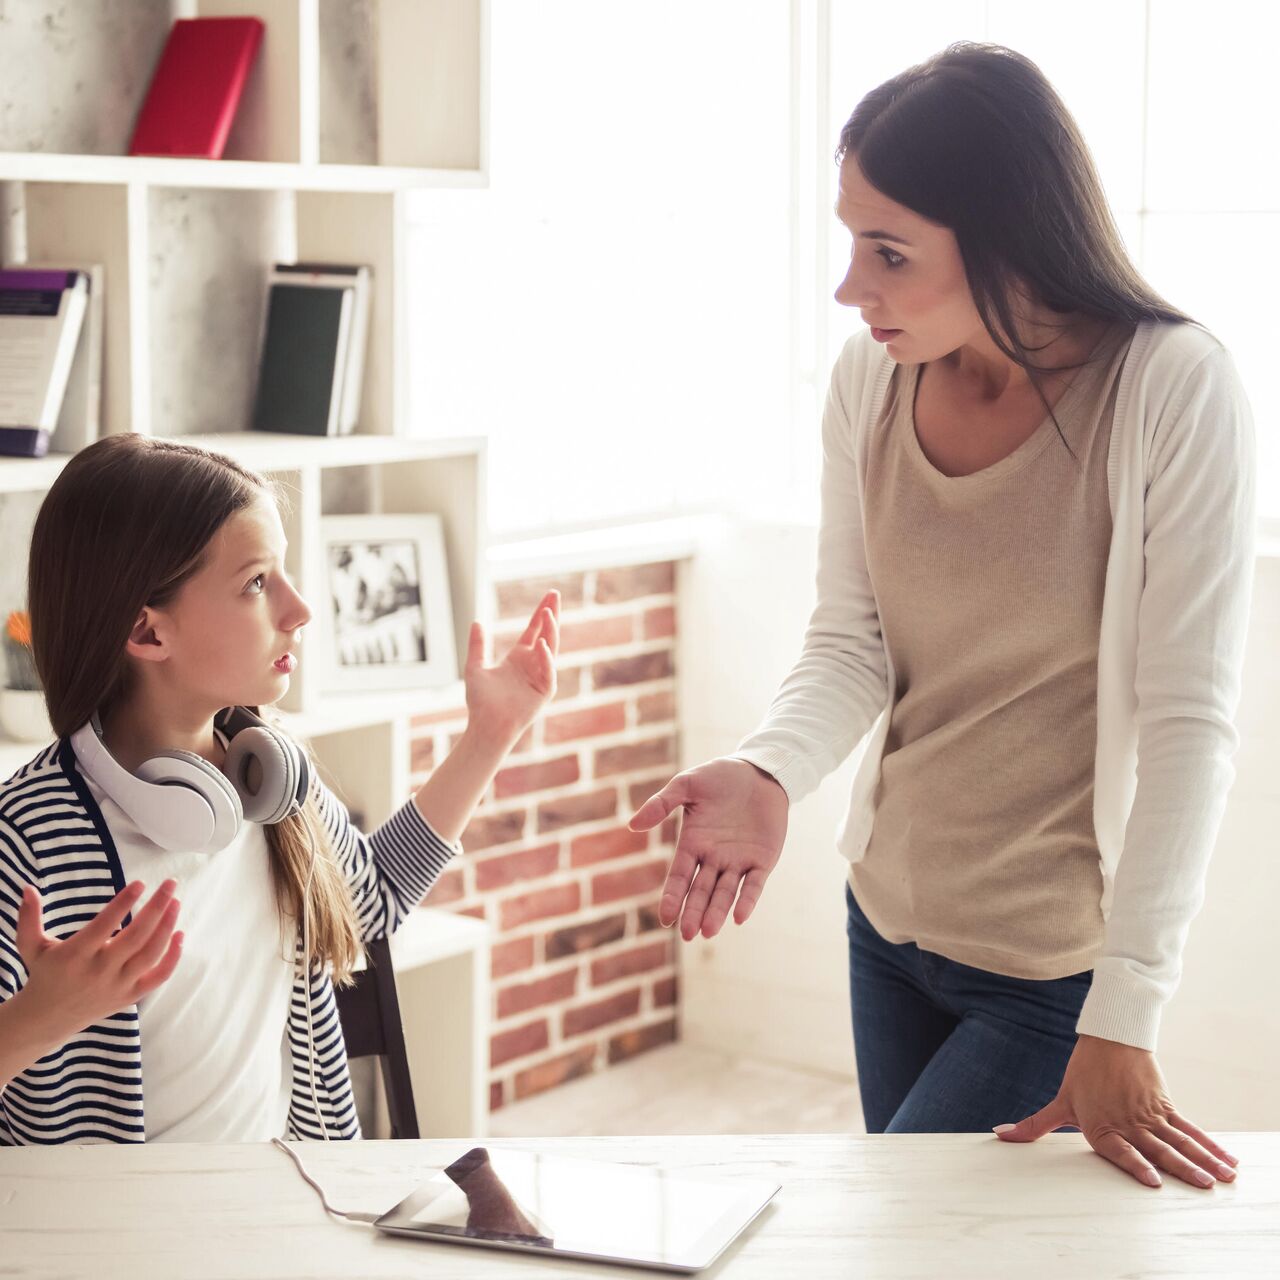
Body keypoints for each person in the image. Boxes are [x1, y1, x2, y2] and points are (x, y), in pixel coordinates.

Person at [629, 42, 1255, 1192]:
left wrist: (1125, 1009)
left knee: (904, 1242)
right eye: (848, 240)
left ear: (1007, 233)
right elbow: (851, 640)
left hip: (1048, 970)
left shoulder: (1170, 389)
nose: (848, 287)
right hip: (889, 927)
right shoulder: (868, 382)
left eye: (887, 251)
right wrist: (770, 770)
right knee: (930, 1241)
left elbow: (1187, 723)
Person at [0, 433, 561, 1144]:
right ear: (147, 632)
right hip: (112, 1247)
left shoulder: (267, 779)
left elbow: (372, 900)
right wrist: (34, 1020)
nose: (300, 608)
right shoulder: (28, 840)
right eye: (257, 583)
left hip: (285, 1219)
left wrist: (490, 736)